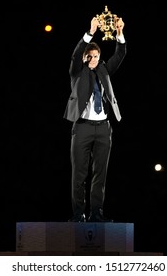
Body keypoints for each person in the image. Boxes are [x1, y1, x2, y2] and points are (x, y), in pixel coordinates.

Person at [63, 15, 126, 222]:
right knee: (79, 174)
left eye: (96, 57)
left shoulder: (104, 70)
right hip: (82, 127)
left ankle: (96, 212)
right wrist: (90, 32)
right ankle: (78, 213)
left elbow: (120, 54)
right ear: (85, 57)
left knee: (100, 174)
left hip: (103, 128)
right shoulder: (77, 71)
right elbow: (74, 56)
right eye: (89, 56)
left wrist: (119, 33)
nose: (93, 60)